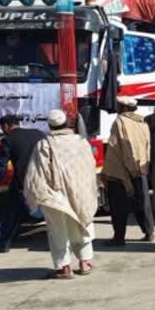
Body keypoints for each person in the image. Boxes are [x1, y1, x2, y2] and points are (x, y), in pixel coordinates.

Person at [24, 109, 99, 279]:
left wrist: (35, 194)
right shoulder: (81, 142)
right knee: (82, 224)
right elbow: (90, 166)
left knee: (57, 231)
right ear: (67, 123)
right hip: (80, 191)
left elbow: (36, 174)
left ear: (50, 126)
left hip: (54, 195)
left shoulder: (44, 145)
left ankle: (65, 267)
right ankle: (85, 262)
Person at [0, 115, 45, 252]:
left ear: (7, 126)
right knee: (13, 211)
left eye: (2, 128)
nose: (2, 131)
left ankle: (3, 244)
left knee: (11, 213)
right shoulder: (38, 133)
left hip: (22, 181)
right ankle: (3, 242)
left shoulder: (8, 140)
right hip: (42, 179)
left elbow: (0, 168)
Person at [102, 96, 153, 246]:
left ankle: (119, 238)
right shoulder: (142, 122)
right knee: (143, 202)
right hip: (141, 168)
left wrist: (130, 170)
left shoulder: (120, 122)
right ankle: (148, 232)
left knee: (118, 206)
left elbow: (125, 148)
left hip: (121, 171)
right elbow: (147, 146)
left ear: (123, 108)